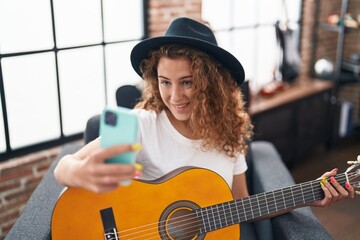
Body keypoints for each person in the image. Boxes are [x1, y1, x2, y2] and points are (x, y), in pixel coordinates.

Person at [54, 16, 354, 221]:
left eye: (187, 82)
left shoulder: (230, 135)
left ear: (213, 83)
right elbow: (63, 168)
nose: (174, 96)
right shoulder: (136, 123)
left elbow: (242, 205)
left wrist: (309, 196)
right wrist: (77, 172)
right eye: (165, 82)